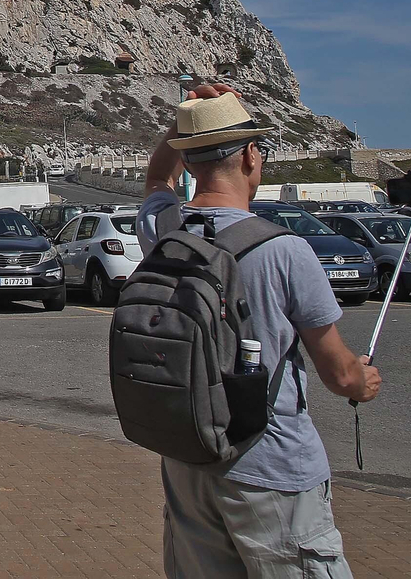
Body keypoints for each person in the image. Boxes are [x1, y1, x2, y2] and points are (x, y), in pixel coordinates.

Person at [138, 82, 381, 578]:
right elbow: (339, 374)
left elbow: (157, 178)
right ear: (250, 156)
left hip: (190, 459)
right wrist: (364, 381)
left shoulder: (166, 233)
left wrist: (189, 119)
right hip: (271, 470)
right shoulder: (285, 251)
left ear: (192, 160)